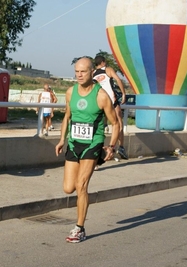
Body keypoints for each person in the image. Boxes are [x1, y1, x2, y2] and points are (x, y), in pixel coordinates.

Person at [55, 57, 119, 243]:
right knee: (69, 188)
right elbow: (67, 117)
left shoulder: (101, 96)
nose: (79, 75)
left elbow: (115, 124)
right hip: (74, 143)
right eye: (76, 71)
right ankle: (81, 204)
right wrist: (61, 140)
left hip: (93, 144)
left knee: (82, 186)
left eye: (83, 71)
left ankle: (79, 228)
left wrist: (112, 146)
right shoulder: (70, 92)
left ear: (93, 72)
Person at [93, 55, 128, 160]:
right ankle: (120, 147)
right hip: (111, 101)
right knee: (118, 124)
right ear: (103, 62)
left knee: (99, 128)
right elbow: (118, 80)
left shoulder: (93, 73)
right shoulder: (108, 69)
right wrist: (123, 93)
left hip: (99, 102)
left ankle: (96, 155)